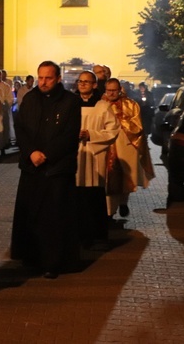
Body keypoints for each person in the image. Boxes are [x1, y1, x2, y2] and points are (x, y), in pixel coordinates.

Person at [11, 60, 81, 279]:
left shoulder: (71, 102)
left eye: (48, 78)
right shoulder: (30, 99)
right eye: (40, 77)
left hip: (57, 169)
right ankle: (31, 257)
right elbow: (20, 129)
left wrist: (47, 154)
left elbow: (69, 134)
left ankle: (54, 261)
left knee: (54, 218)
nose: (43, 82)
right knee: (31, 215)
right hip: (32, 168)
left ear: (58, 78)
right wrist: (31, 151)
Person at [75, 71, 119, 247]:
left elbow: (113, 130)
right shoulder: (70, 104)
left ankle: (95, 234)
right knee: (76, 196)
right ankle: (76, 234)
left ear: (94, 85)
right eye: (80, 81)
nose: (83, 84)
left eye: (87, 82)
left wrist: (91, 134)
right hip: (75, 154)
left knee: (93, 195)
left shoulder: (103, 106)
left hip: (94, 154)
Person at [103, 78, 155, 218]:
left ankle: (123, 203)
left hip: (124, 145)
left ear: (120, 90)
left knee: (125, 177)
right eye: (109, 90)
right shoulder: (100, 104)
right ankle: (109, 211)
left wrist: (120, 120)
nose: (111, 93)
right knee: (108, 179)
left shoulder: (130, 104)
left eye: (114, 90)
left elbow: (137, 126)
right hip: (105, 146)